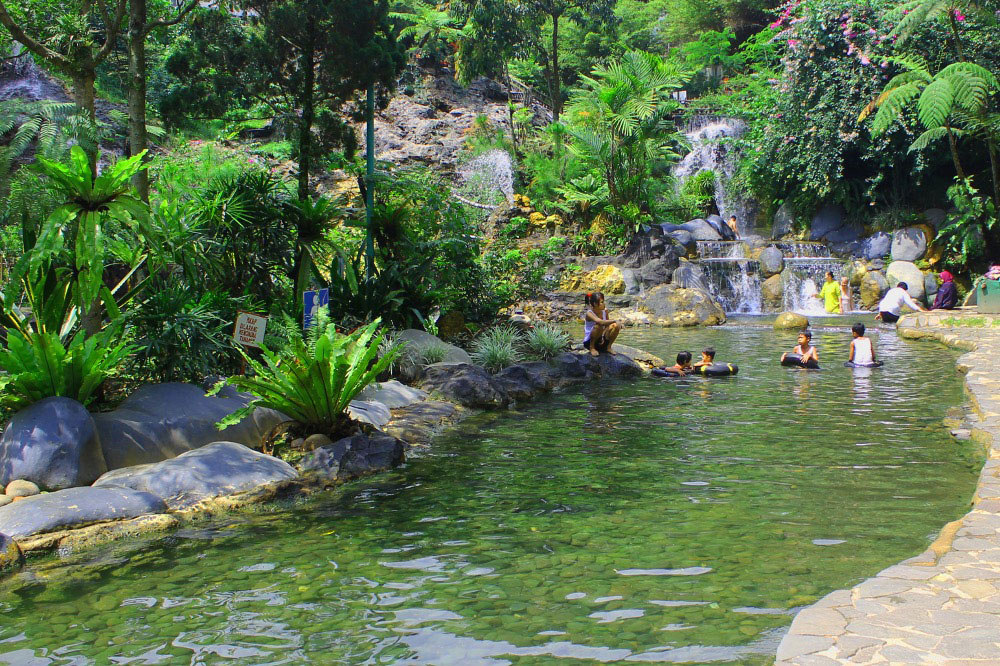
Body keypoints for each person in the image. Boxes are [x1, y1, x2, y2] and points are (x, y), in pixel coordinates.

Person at [583, 291, 621, 356]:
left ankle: (608, 347)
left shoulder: (605, 311)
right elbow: (601, 322)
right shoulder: (589, 313)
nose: (604, 304)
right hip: (589, 342)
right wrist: (615, 320)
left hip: (601, 338)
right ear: (595, 304)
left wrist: (604, 334)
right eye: (602, 302)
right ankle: (592, 348)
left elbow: (607, 324)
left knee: (616, 325)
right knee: (598, 326)